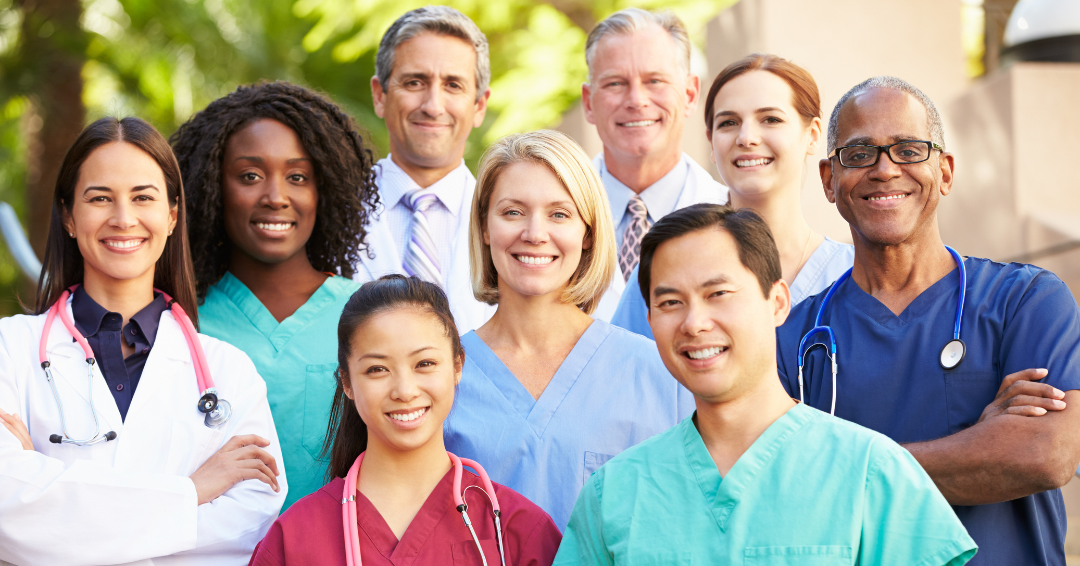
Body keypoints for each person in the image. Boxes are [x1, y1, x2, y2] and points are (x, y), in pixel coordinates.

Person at [555, 203, 977, 565]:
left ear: (777, 303)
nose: (694, 323)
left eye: (718, 293)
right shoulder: (614, 494)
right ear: (650, 321)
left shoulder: (872, 473)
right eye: (670, 302)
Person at [776, 76, 1080, 565]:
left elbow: (1045, 455)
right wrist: (980, 442)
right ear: (830, 180)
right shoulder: (791, 339)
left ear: (945, 171)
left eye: (909, 150)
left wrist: (839, 470)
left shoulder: (1025, 301)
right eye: (860, 154)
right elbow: (782, 488)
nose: (884, 169)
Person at [0, 117, 285, 565]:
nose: (123, 218)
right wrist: (191, 491)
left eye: (143, 197)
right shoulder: (9, 349)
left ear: (171, 215)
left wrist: (50, 491)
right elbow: (7, 512)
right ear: (69, 216)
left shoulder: (229, 372)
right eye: (100, 198)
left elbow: (248, 525)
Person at [443, 130, 694, 531]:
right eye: (512, 212)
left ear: (588, 232)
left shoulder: (661, 376)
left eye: (559, 214)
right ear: (485, 227)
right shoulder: (441, 377)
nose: (534, 233)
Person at [248, 275, 561, 566]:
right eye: (377, 369)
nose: (405, 391)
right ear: (347, 382)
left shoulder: (517, 530)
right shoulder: (294, 538)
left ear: (457, 366)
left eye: (424, 363)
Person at [171, 81, 376, 510]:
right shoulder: (180, 320)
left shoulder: (370, 315)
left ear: (324, 189)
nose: (276, 197)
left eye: (297, 177)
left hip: (341, 543)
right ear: (211, 186)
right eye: (250, 176)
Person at [612, 54, 854, 339]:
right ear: (711, 142)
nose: (746, 137)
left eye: (771, 119)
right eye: (728, 123)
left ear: (812, 135)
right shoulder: (664, 265)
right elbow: (620, 363)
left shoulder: (856, 274)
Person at [581, 7, 728, 319]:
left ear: (690, 94)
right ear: (588, 102)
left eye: (655, 81)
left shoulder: (733, 215)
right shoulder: (551, 220)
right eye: (615, 83)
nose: (636, 100)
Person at [356, 6, 496, 333]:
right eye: (414, 82)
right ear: (379, 95)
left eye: (453, 85)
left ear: (479, 105)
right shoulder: (331, 213)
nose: (433, 106)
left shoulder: (509, 223)